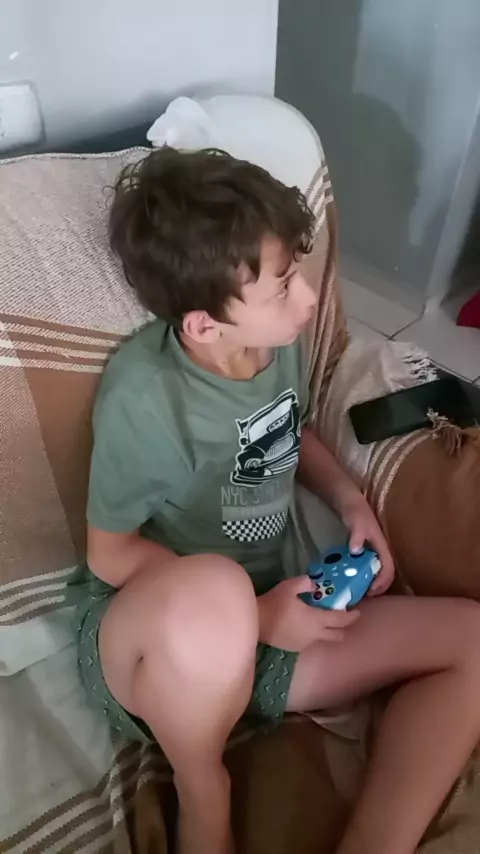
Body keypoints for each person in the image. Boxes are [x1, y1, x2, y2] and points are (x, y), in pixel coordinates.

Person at [74, 147, 480, 854]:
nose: (310, 299)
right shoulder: (146, 400)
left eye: (298, 270)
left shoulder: (272, 344)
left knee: (471, 639)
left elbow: (290, 433)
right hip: (157, 649)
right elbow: (108, 554)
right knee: (215, 588)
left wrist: (351, 502)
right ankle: (204, 787)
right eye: (283, 286)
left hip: (271, 629)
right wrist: (254, 615)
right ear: (205, 325)